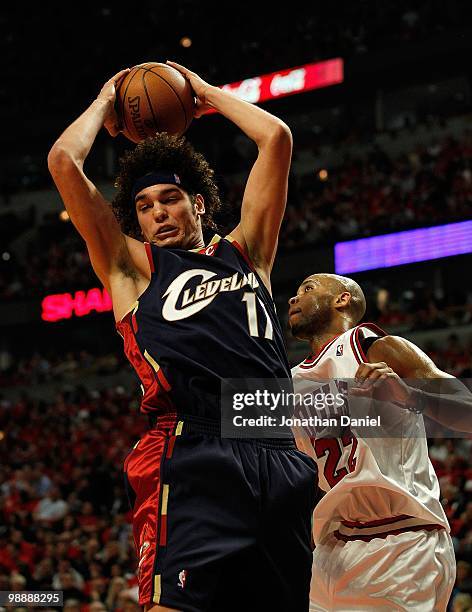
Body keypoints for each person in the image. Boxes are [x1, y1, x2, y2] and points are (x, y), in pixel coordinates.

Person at [48, 62, 317, 612]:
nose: (157, 214)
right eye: (144, 207)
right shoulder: (131, 268)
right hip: (193, 450)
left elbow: (276, 137)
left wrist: (200, 93)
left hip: (278, 452)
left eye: (169, 198)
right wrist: (107, 100)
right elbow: (63, 162)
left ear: (198, 202)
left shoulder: (248, 253)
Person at [288, 273, 458, 611]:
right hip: (331, 549)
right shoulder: (293, 381)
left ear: (342, 299)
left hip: (401, 539)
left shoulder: (378, 348)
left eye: (307, 289)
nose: (293, 299)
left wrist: (413, 396)